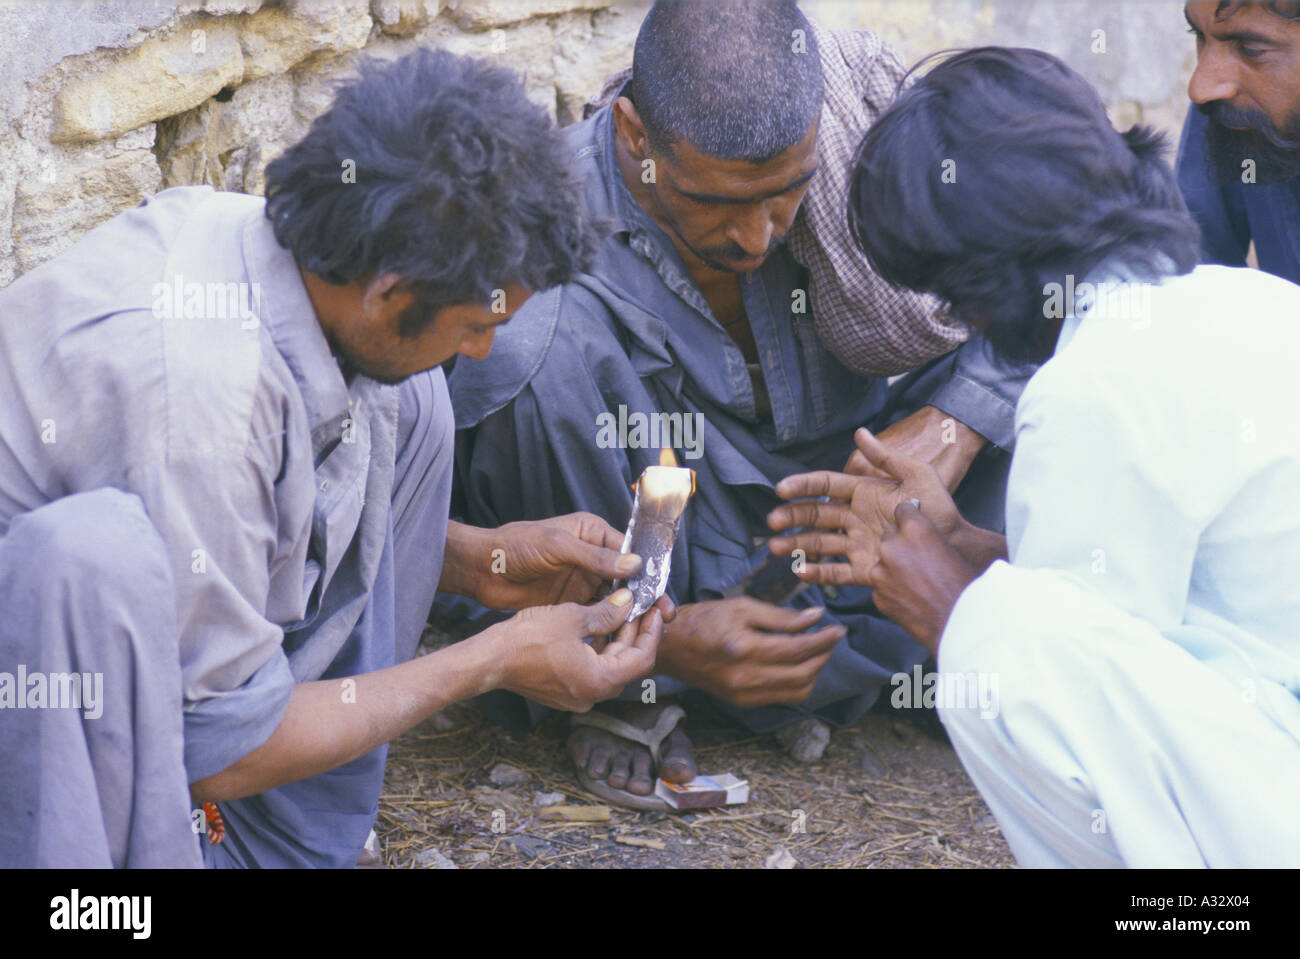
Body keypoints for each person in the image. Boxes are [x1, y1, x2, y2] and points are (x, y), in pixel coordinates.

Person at [0, 48, 670, 869]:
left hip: (164, 642)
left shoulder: (273, 254)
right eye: (475, 321)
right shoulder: (205, 399)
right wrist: (493, 658)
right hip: (53, 730)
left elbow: (230, 535)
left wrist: (480, 562)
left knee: (415, 402)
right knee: (92, 557)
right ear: (389, 294)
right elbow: (218, 749)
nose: (487, 345)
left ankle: (278, 838)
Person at [442, 0, 1030, 808]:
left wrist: (955, 422)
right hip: (672, 550)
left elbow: (1063, 273)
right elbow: (451, 534)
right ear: (634, 137)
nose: (757, 237)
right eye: (718, 204)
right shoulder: (539, 225)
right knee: (537, 347)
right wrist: (671, 641)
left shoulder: (865, 146)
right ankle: (629, 669)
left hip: (867, 516)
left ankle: (895, 645)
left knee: (1049, 377)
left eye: (784, 193)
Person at [769, 45, 1300, 866]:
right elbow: (1166, 618)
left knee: (1000, 642)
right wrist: (968, 546)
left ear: (986, 277)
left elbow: (1069, 688)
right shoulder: (1253, 303)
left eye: (951, 294)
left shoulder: (1091, 386)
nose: (963, 322)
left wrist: (945, 602)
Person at [1177, 1, 1300, 283]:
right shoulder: (1235, 114)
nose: (1199, 88)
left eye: (1251, 50)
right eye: (1199, 35)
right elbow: (1194, 274)